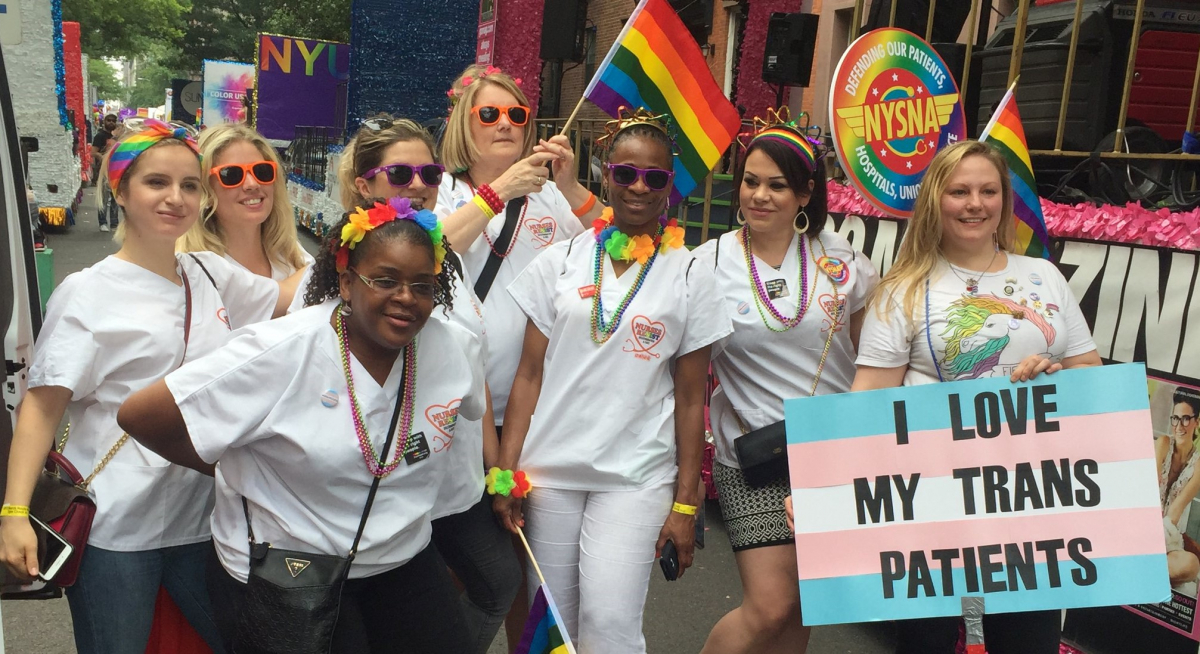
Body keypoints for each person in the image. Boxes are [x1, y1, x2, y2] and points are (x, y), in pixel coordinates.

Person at [117, 197, 483, 653]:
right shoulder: (281, 351)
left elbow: (468, 413)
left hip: (403, 560)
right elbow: (141, 415)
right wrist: (235, 471)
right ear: (347, 284)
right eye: (385, 280)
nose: (406, 297)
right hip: (291, 573)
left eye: (422, 285)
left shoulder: (452, 349)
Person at [0, 119, 300, 654]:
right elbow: (42, 410)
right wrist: (14, 512)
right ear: (120, 189)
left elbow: (291, 299)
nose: (176, 198)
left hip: (203, 522)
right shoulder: (86, 293)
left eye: (189, 185)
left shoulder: (210, 273)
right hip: (117, 529)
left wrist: (370, 226)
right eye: (156, 183)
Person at [494, 109, 732, 653]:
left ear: (670, 186)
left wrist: (686, 503)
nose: (639, 187)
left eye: (655, 177)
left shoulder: (692, 272)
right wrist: (506, 470)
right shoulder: (562, 259)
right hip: (548, 472)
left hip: (635, 477)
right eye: (626, 173)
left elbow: (693, 397)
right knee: (551, 623)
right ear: (606, 175)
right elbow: (528, 375)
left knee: (609, 625)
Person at [851, 139, 1102, 654]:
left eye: (988, 190)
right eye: (960, 190)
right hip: (930, 499)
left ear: (1004, 201)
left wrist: (1052, 375)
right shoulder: (902, 290)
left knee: (1027, 640)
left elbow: (1091, 379)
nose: (975, 203)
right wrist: (822, 485)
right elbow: (868, 403)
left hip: (1029, 496)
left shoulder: (1045, 277)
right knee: (926, 641)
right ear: (934, 201)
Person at [695, 113, 879, 654]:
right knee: (770, 606)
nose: (759, 195)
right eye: (750, 181)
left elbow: (875, 357)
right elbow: (686, 373)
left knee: (805, 605)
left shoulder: (842, 260)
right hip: (754, 454)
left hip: (833, 455)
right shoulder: (708, 264)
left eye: (777, 185)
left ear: (805, 194)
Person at [337, 114, 521, 653]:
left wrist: (496, 472)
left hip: (456, 482)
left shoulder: (450, 262)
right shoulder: (344, 269)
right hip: (389, 486)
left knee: (498, 583)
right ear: (365, 183)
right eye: (400, 173)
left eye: (430, 172)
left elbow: (474, 374)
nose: (418, 184)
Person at [437, 64, 603, 645]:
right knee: (467, 568)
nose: (505, 124)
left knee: (522, 567)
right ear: (465, 121)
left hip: (534, 412)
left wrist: (574, 185)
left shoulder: (550, 198)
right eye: (490, 114)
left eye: (517, 114)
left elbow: (628, 245)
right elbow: (424, 255)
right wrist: (498, 192)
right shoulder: (440, 191)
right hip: (457, 416)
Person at [178, 122, 312, 281]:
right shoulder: (190, 270)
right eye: (232, 175)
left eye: (262, 171)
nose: (252, 184)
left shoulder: (290, 252)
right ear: (204, 191)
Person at [1158, 387, 1200, 592]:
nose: (1179, 426)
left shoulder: (1199, 463)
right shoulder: (1163, 443)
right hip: (1142, 527)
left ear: (1197, 422)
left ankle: (1147, 568)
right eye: (1175, 418)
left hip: (1169, 537)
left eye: (1185, 419)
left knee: (1191, 565)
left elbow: (1175, 513)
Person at [93, 115, 123, 231]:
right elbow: (93, 152)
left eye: (113, 121)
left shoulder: (117, 137)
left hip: (115, 171)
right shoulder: (100, 136)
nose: (111, 123)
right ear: (104, 121)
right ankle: (102, 222)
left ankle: (114, 223)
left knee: (115, 198)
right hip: (103, 172)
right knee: (103, 198)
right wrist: (104, 158)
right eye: (108, 120)